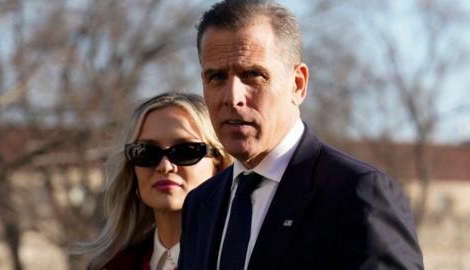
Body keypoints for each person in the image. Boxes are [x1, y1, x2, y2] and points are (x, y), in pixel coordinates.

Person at [178, 1, 424, 270]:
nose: (232, 97)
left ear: (298, 84)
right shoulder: (200, 204)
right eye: (216, 77)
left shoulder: (358, 194)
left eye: (252, 75)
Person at [76, 92, 232, 270]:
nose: (165, 166)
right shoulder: (113, 265)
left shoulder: (245, 258)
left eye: (185, 150)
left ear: (219, 163)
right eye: (146, 152)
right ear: (132, 169)